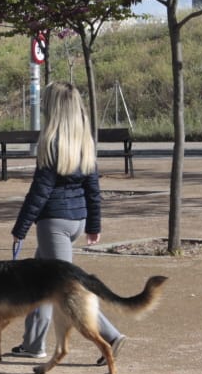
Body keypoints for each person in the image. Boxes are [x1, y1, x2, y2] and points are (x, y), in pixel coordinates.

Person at [9, 80, 123, 359]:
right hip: (76, 221)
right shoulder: (84, 142)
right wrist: (94, 225)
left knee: (69, 290)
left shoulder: (51, 143)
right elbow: (93, 190)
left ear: (54, 109)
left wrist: (21, 227)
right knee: (39, 282)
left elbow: (40, 192)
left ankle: (111, 335)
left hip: (54, 224)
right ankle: (33, 343)